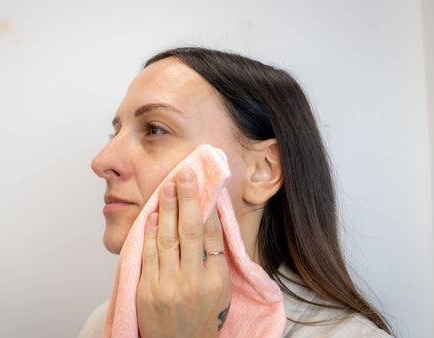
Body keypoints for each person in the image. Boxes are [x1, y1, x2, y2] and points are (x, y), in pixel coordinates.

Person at [80, 47, 393, 337]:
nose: (102, 161)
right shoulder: (103, 324)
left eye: (155, 129)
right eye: (116, 131)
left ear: (263, 171)